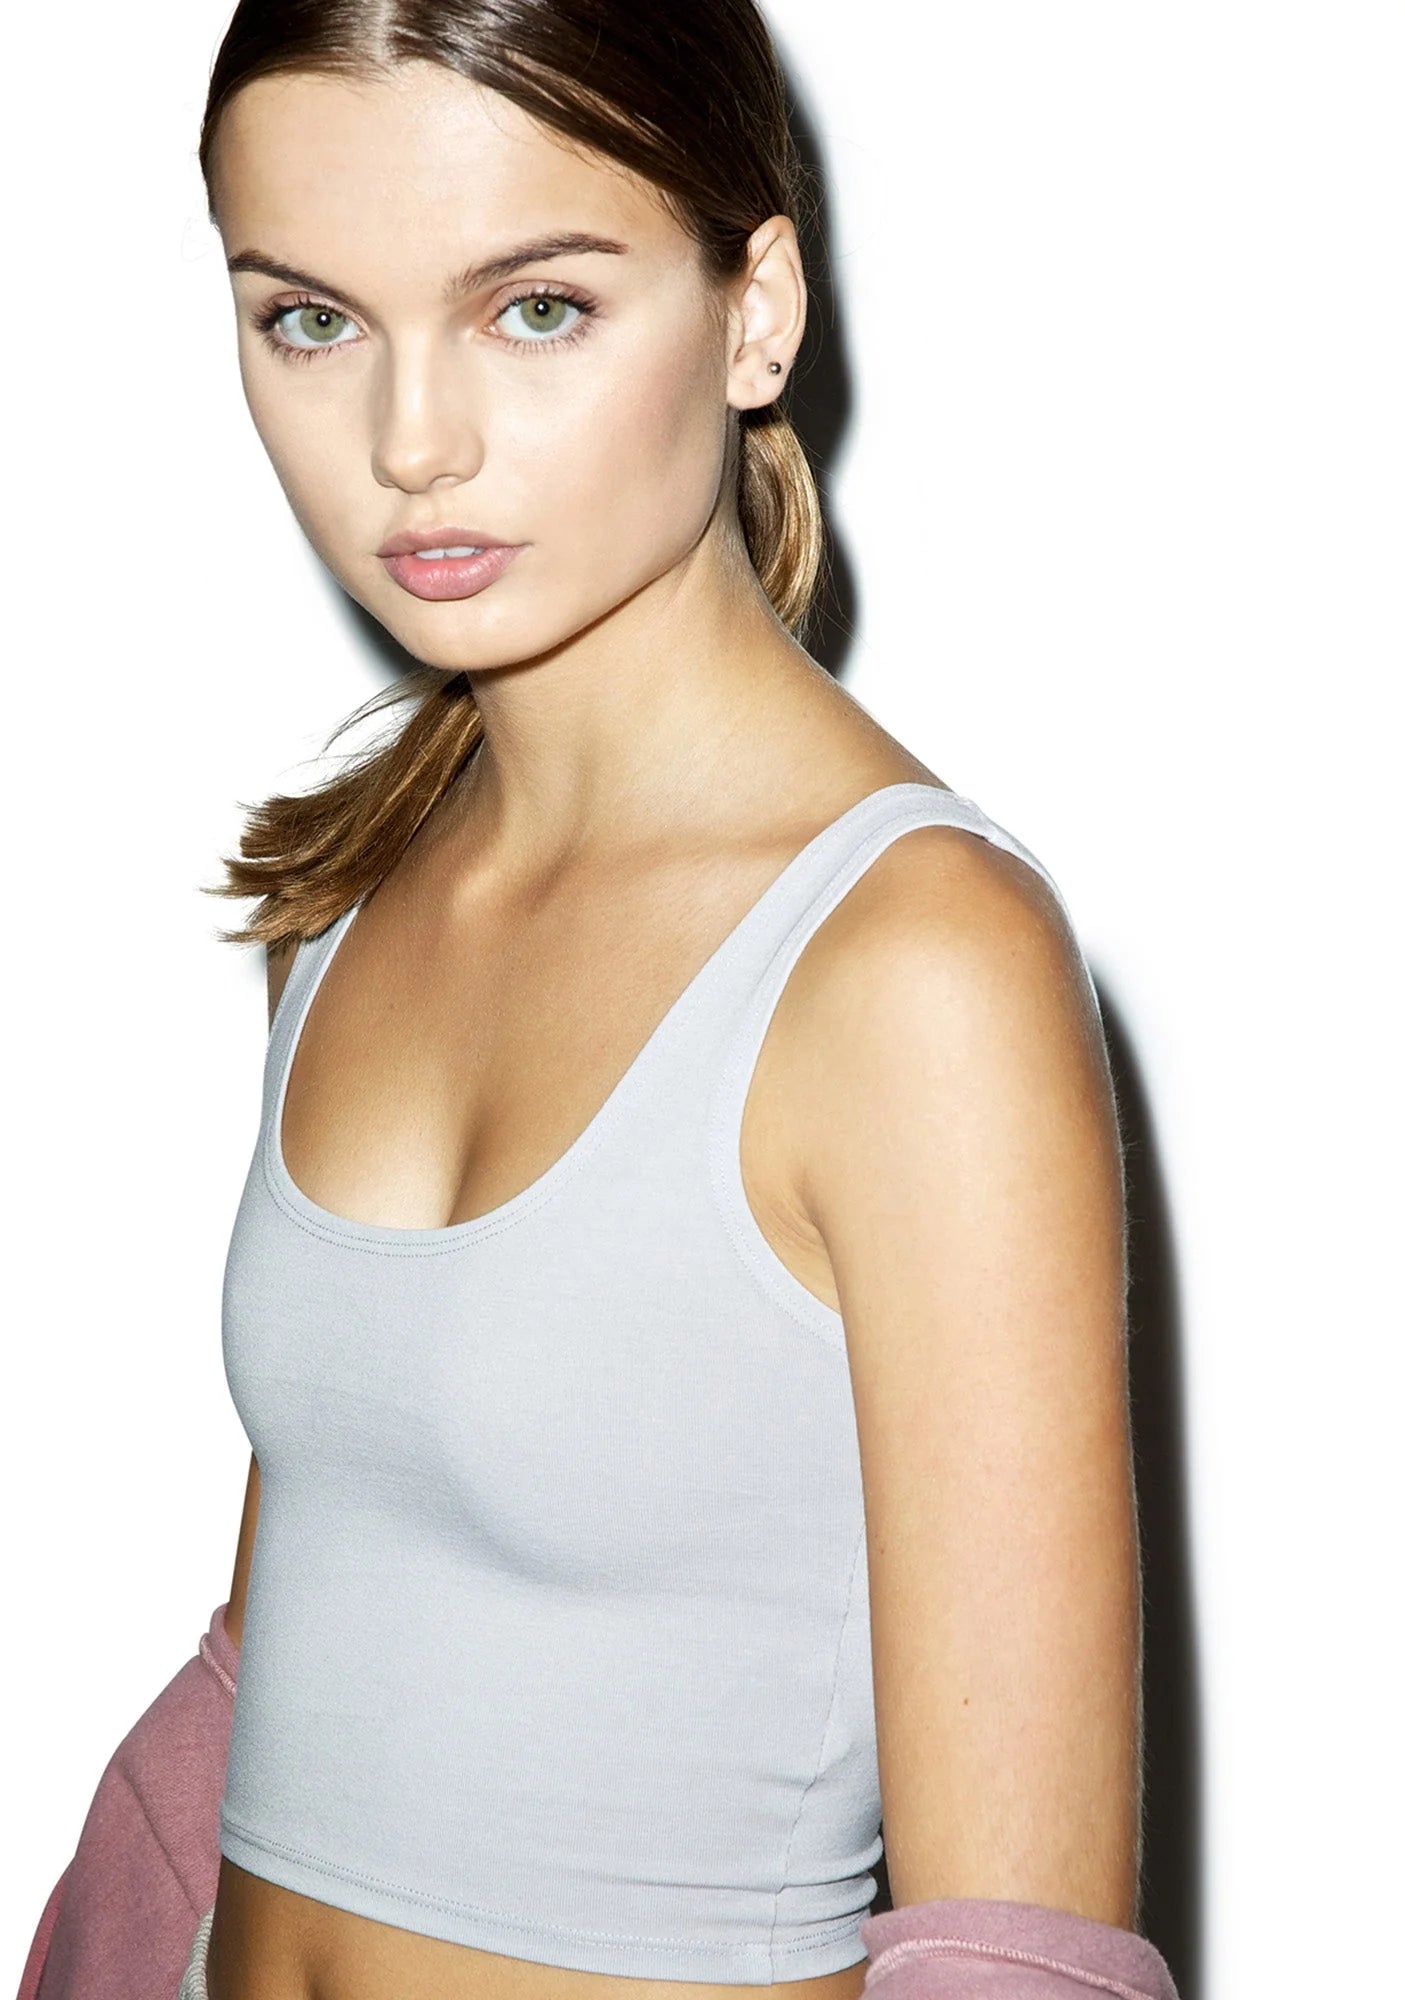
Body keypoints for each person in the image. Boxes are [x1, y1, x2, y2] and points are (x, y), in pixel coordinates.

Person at [20, 5, 1181, 1999]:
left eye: (534, 309)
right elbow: (297, 1654)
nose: (411, 442)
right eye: (310, 320)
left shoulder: (913, 970)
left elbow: (1019, 1950)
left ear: (754, 311)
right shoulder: (363, 893)